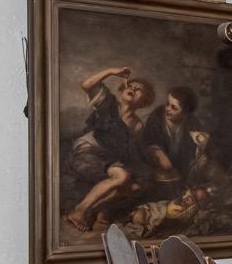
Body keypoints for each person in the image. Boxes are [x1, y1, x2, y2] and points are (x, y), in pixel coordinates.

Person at [66, 65, 154, 231]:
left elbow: (129, 154)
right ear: (121, 90)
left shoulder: (137, 125)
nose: (133, 89)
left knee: (132, 184)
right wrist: (113, 72)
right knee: (121, 175)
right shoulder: (108, 103)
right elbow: (87, 85)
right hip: (86, 152)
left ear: (143, 102)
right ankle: (80, 210)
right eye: (130, 86)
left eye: (139, 90)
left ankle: (95, 209)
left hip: (107, 159)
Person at [136, 85, 208, 197]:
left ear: (185, 113)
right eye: (167, 104)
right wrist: (157, 152)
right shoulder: (157, 116)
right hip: (155, 167)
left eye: (174, 108)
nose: (168, 109)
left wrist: (200, 155)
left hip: (180, 171)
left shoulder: (192, 122)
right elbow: (148, 140)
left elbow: (198, 147)